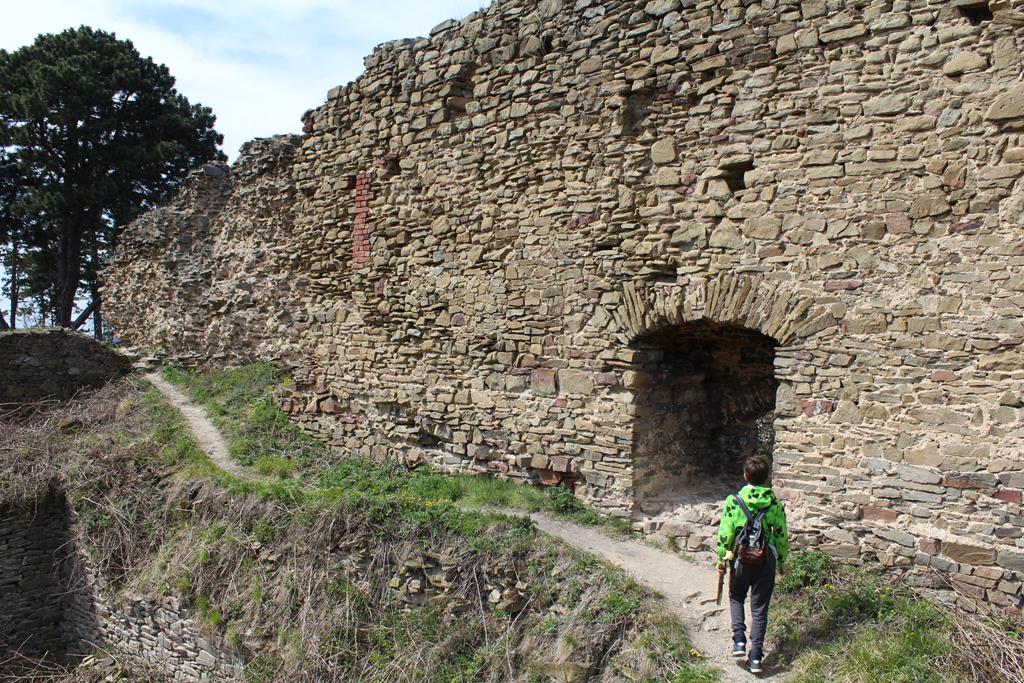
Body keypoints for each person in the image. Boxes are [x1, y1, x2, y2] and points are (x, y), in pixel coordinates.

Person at [715, 455, 789, 675]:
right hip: (766, 560)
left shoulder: (734, 501)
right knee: (760, 609)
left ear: (745, 475)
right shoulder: (774, 502)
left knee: (736, 596)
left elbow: (726, 534)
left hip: (740, 558)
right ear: (767, 478)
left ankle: (739, 640)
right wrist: (783, 562)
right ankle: (755, 656)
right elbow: (782, 534)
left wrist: (722, 559)